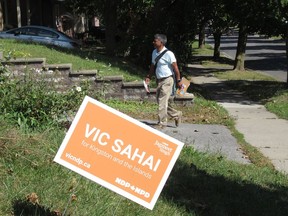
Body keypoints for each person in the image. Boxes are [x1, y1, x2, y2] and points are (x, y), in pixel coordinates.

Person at [145, 34, 183, 128]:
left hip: (168, 80)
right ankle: (177, 114)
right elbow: (153, 66)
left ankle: (162, 123)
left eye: (155, 41)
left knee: (162, 100)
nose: (153, 42)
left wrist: (178, 80)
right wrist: (149, 76)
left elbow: (176, 68)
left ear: (161, 42)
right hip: (159, 80)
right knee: (161, 101)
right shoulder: (154, 52)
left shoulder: (169, 54)